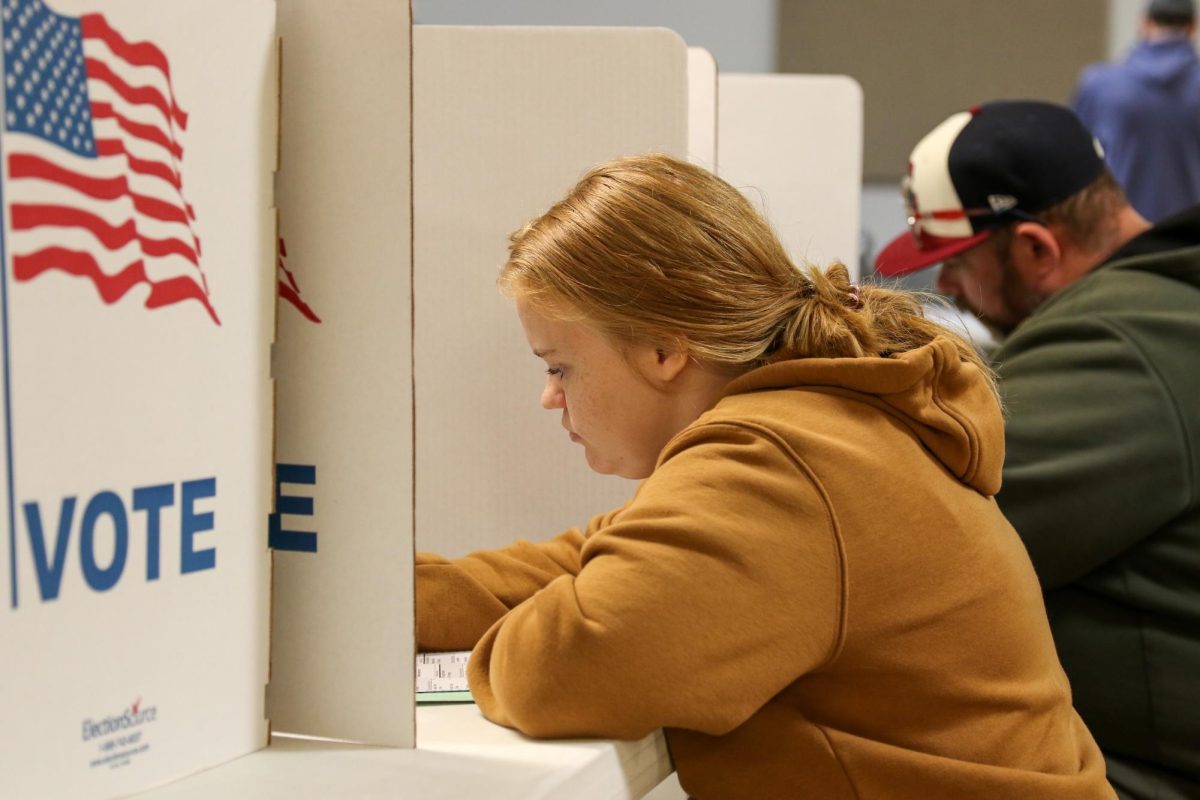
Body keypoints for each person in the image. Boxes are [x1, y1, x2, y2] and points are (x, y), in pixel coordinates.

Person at [417, 154, 1116, 799]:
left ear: (663, 347)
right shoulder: (810, 424)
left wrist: (489, 648)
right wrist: (388, 605)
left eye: (558, 366)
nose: (550, 397)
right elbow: (588, 563)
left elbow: (567, 670)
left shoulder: (778, 462)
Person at [875, 100, 1200, 800]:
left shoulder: (1118, 345)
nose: (945, 290)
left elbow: (917, 529)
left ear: (1035, 250)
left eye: (955, 264)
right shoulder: (1166, 306)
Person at [1073, 0, 1200, 222]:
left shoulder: (1100, 84)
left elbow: (1077, 157)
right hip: (1188, 231)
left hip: (1119, 227)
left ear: (1145, 23)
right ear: (1193, 27)